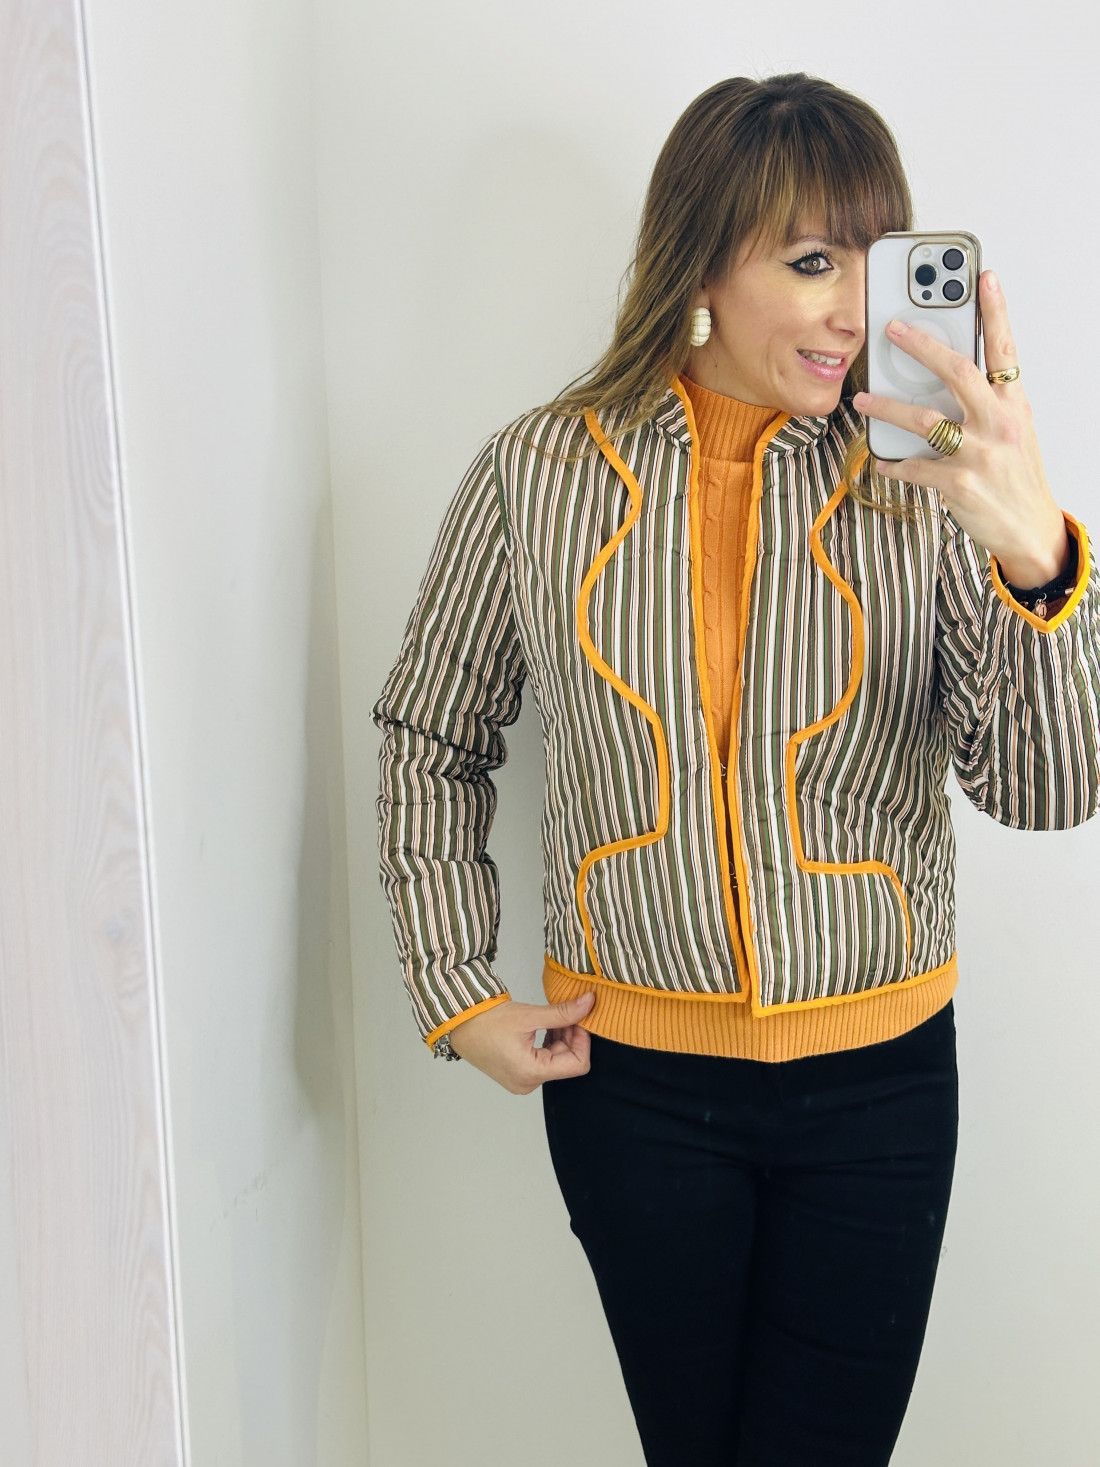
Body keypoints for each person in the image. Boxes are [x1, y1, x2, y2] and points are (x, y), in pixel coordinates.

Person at [372, 73, 1100, 1466]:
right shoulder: (540, 473)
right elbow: (434, 732)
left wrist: (1032, 547)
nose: (853, 312)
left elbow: (1047, 790)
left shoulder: (929, 481)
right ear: (702, 261)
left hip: (879, 1084)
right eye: (811, 261)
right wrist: (455, 989)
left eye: (876, 261)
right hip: (634, 1089)